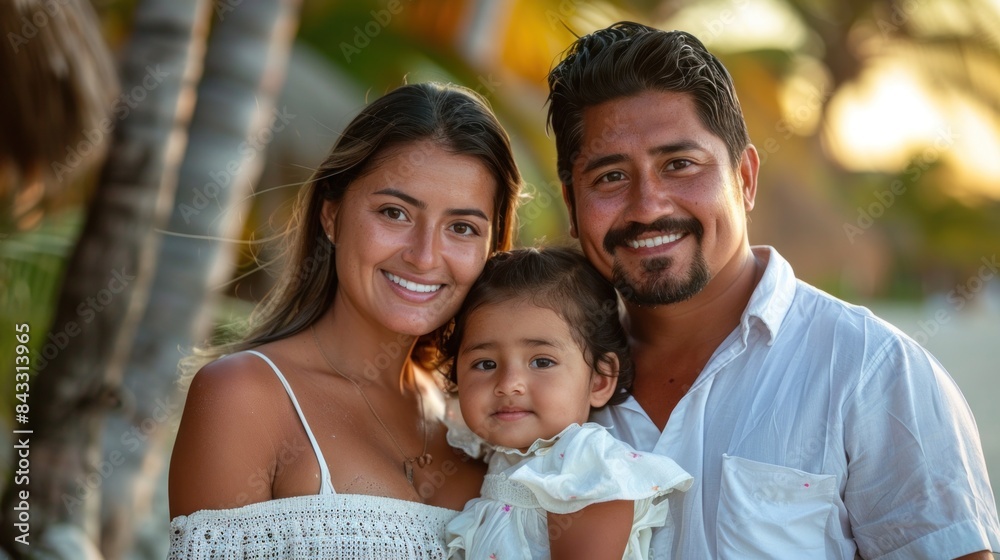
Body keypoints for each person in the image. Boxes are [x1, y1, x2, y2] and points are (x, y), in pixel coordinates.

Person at [546, 21, 1000, 560]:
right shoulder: (534, 381)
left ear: (745, 179)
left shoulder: (870, 371)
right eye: (610, 177)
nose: (649, 206)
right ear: (573, 208)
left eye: (679, 164)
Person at [167, 82, 522, 558]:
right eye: (394, 213)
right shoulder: (245, 395)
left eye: (462, 228)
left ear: (493, 247)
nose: (423, 256)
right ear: (331, 216)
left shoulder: (482, 417)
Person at [440, 247, 693, 559]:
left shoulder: (583, 465)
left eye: (542, 362)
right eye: (485, 364)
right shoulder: (487, 457)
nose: (508, 385)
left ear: (599, 380)